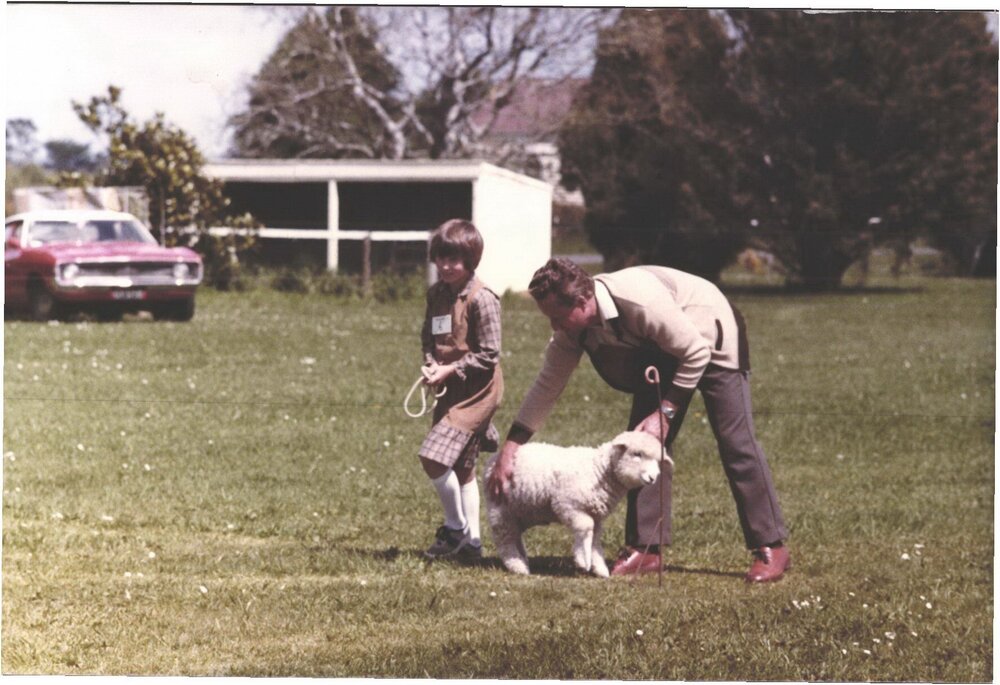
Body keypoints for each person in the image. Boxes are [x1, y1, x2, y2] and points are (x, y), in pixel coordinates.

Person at [486, 258, 789, 582]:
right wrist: (512, 447)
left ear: (583, 301)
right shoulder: (574, 330)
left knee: (736, 442)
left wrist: (666, 412)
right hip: (660, 350)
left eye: (558, 317)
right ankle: (646, 549)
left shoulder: (639, 301)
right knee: (641, 445)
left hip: (710, 337)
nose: (555, 326)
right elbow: (547, 386)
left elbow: (696, 352)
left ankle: (770, 545)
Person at [418, 219, 504, 561]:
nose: (445, 266)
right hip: (448, 386)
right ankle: (473, 544)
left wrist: (452, 369)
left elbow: (490, 354)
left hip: (478, 391)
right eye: (440, 258)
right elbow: (429, 336)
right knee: (461, 466)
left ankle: (455, 529)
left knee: (433, 457)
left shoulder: (484, 300)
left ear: (471, 261)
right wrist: (430, 363)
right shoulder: (436, 293)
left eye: (454, 260)